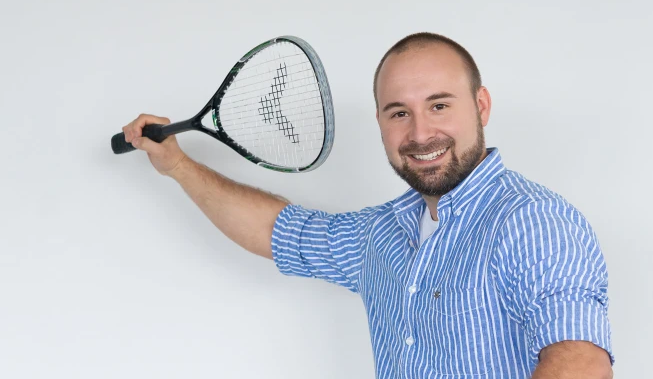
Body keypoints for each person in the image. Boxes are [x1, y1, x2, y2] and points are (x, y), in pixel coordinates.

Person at [121, 32, 614, 378]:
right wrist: (178, 166)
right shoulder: (381, 235)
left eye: (439, 105)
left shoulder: (535, 221)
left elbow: (581, 364)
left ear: (481, 106)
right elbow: (277, 232)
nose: (421, 133)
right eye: (399, 112)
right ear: (380, 122)